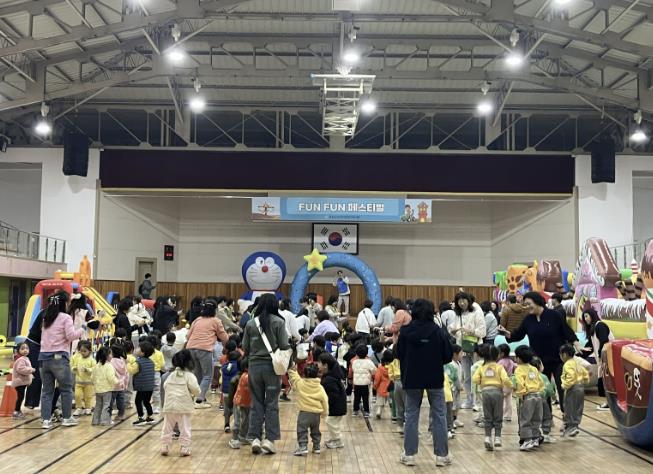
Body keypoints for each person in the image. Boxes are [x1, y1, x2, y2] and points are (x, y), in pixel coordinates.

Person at [501, 291, 580, 412]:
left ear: (537, 302)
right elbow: (518, 334)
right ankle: (547, 417)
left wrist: (576, 343)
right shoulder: (528, 319)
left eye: (529, 304)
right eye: (525, 305)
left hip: (558, 359)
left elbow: (566, 330)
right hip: (539, 362)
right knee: (543, 389)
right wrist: (507, 333)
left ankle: (567, 415)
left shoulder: (554, 315)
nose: (527, 307)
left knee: (562, 387)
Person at [397, 298, 453, 468]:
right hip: (434, 378)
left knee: (411, 415)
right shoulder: (438, 331)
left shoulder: (405, 332)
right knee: (439, 415)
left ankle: (409, 455)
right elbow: (448, 356)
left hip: (411, 378)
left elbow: (398, 353)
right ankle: (442, 456)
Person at [242, 293, 291, 455]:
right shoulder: (279, 322)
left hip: (254, 367)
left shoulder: (250, 324)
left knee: (256, 402)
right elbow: (284, 345)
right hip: (272, 368)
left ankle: (254, 438)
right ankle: (269, 440)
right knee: (271, 403)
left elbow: (245, 348)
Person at [39, 292, 85, 429]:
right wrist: (82, 328)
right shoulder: (65, 317)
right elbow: (71, 336)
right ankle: (67, 418)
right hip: (59, 357)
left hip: (43, 357)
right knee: (66, 389)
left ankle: (46, 420)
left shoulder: (46, 317)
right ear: (64, 303)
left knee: (46, 391)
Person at [186, 300, 229, 408]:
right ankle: (199, 400)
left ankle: (199, 398)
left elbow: (188, 336)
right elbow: (224, 337)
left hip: (191, 348)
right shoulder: (216, 321)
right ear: (215, 310)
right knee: (207, 376)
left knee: (198, 375)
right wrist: (226, 347)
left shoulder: (197, 319)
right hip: (204, 349)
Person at [446, 292, 486, 409]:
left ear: (468, 300)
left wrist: (471, 331)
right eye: (459, 301)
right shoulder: (458, 314)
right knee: (466, 375)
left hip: (475, 347)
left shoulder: (476, 311)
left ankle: (478, 402)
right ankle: (469, 399)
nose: (462, 303)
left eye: (464, 300)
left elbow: (482, 331)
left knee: (477, 374)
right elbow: (453, 329)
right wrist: (453, 331)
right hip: (462, 347)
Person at [160, 349, 200, 457]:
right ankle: (184, 447)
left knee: (167, 426)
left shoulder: (171, 375)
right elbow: (196, 390)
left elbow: (165, 386)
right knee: (185, 427)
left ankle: (165, 446)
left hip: (169, 405)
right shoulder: (189, 375)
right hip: (183, 406)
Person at [472, 344, 512, 451]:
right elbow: (505, 379)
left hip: (485, 393)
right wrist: (512, 385)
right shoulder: (499, 367)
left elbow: (475, 379)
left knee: (487, 416)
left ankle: (487, 437)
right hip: (497, 393)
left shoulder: (481, 368)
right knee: (498, 415)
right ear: (497, 355)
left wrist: (482, 381)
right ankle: (497, 438)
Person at [285, 363, 328, 456]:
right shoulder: (320, 387)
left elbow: (294, 378)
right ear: (317, 374)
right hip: (316, 415)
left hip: (304, 413)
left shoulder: (300, 384)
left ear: (304, 374)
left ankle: (303, 447)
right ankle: (316, 447)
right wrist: (325, 413)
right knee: (315, 431)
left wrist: (292, 370)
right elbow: (325, 400)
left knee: (302, 430)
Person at [580, 308, 612, 410]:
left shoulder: (600, 326)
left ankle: (610, 404)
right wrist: (578, 355)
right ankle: (608, 403)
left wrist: (600, 354)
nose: (585, 319)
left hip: (609, 359)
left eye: (586, 316)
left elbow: (604, 341)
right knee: (602, 385)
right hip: (602, 361)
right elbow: (589, 347)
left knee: (608, 383)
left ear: (592, 315)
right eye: (584, 317)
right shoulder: (593, 330)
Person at [513, 345, 544, 451]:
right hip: (538, 395)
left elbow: (519, 383)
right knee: (536, 419)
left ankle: (527, 441)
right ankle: (535, 438)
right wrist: (539, 390)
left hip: (528, 396)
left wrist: (521, 394)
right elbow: (540, 381)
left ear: (519, 358)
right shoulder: (534, 368)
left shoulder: (519, 369)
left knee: (525, 419)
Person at [317, 353, 347, 449]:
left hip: (336, 406)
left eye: (319, 363)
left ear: (325, 365)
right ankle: (334, 439)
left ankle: (338, 440)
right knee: (332, 423)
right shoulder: (331, 375)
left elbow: (332, 395)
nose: (317, 364)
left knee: (332, 423)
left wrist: (325, 405)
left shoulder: (329, 379)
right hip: (337, 405)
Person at [560, 343, 589, 437]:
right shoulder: (577, 362)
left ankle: (571, 427)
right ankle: (575, 425)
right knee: (578, 407)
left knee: (569, 407)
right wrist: (585, 381)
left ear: (564, 354)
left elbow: (571, 376)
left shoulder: (567, 364)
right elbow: (585, 373)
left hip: (572, 388)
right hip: (581, 387)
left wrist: (565, 385)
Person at [129, 340, 156, 426]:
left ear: (142, 352)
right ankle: (150, 416)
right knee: (147, 402)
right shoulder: (151, 362)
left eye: (138, 348)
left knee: (138, 401)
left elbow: (131, 371)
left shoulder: (138, 362)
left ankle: (141, 417)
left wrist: (127, 363)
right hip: (150, 387)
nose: (136, 349)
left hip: (141, 387)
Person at [24, 309, 45, 409]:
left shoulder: (49, 312)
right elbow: (43, 330)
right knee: (36, 374)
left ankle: (33, 402)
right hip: (34, 345)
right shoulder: (46, 313)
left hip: (38, 345)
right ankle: (31, 402)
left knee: (38, 374)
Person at [228, 359, 252, 450]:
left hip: (246, 402)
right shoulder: (246, 376)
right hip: (240, 402)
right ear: (246, 368)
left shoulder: (246, 376)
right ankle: (235, 439)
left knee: (245, 420)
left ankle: (242, 437)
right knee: (238, 421)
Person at [91, 346, 117, 426]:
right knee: (106, 405)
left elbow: (92, 377)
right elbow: (111, 378)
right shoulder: (109, 366)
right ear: (107, 356)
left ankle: (95, 421)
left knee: (98, 405)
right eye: (111, 354)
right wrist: (117, 382)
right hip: (107, 390)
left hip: (98, 390)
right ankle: (105, 421)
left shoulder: (96, 366)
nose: (112, 356)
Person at [532, 356, 556, 443]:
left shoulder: (528, 376)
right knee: (546, 417)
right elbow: (549, 389)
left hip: (530, 400)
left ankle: (534, 435)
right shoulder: (543, 376)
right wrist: (553, 396)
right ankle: (545, 435)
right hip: (542, 400)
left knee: (533, 418)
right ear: (539, 365)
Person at [71, 340, 96, 417]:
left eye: (85, 351)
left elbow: (94, 369)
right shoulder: (78, 359)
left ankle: (88, 408)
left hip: (89, 383)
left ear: (90, 351)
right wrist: (74, 369)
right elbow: (73, 367)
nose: (82, 353)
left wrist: (88, 370)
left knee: (88, 396)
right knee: (77, 395)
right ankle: (79, 408)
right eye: (81, 351)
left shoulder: (92, 360)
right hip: (79, 382)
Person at [11, 342, 36, 419]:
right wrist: (31, 370)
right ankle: (16, 411)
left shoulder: (25, 358)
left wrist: (30, 375)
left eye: (27, 348)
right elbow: (21, 369)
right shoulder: (21, 359)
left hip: (22, 382)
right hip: (20, 382)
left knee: (21, 397)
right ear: (18, 350)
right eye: (22, 349)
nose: (25, 350)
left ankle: (18, 411)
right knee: (20, 397)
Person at [351, 343, 376, 418]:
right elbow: (374, 370)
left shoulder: (354, 362)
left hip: (356, 383)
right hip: (365, 383)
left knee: (356, 397)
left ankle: (355, 411)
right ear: (366, 353)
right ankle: (366, 411)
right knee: (365, 398)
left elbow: (353, 370)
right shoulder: (369, 362)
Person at [444, 344, 464, 433]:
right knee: (453, 405)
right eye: (461, 353)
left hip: (457, 388)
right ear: (455, 354)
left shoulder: (459, 364)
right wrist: (459, 385)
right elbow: (454, 378)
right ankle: (451, 420)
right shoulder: (451, 364)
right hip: (453, 388)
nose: (462, 355)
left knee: (457, 404)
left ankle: (455, 419)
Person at [222, 351, 241, 432]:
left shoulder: (224, 366)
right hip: (235, 391)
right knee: (236, 409)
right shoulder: (238, 366)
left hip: (225, 391)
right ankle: (237, 426)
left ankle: (226, 425)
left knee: (226, 408)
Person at [109, 344, 129, 421]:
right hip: (122, 385)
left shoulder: (111, 361)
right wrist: (125, 384)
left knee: (110, 402)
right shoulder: (122, 360)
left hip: (113, 386)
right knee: (121, 401)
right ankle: (121, 414)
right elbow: (126, 374)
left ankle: (108, 415)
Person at [497, 344, 516, 422]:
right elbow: (515, 367)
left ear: (502, 353)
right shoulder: (511, 361)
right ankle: (508, 415)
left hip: (503, 382)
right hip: (510, 381)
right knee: (509, 400)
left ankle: (501, 414)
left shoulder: (500, 362)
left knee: (501, 399)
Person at [373, 350, 393, 419]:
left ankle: (379, 411)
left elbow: (377, 378)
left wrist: (375, 386)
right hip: (391, 387)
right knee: (392, 402)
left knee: (380, 401)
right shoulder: (393, 367)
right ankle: (394, 414)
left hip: (382, 387)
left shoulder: (380, 368)